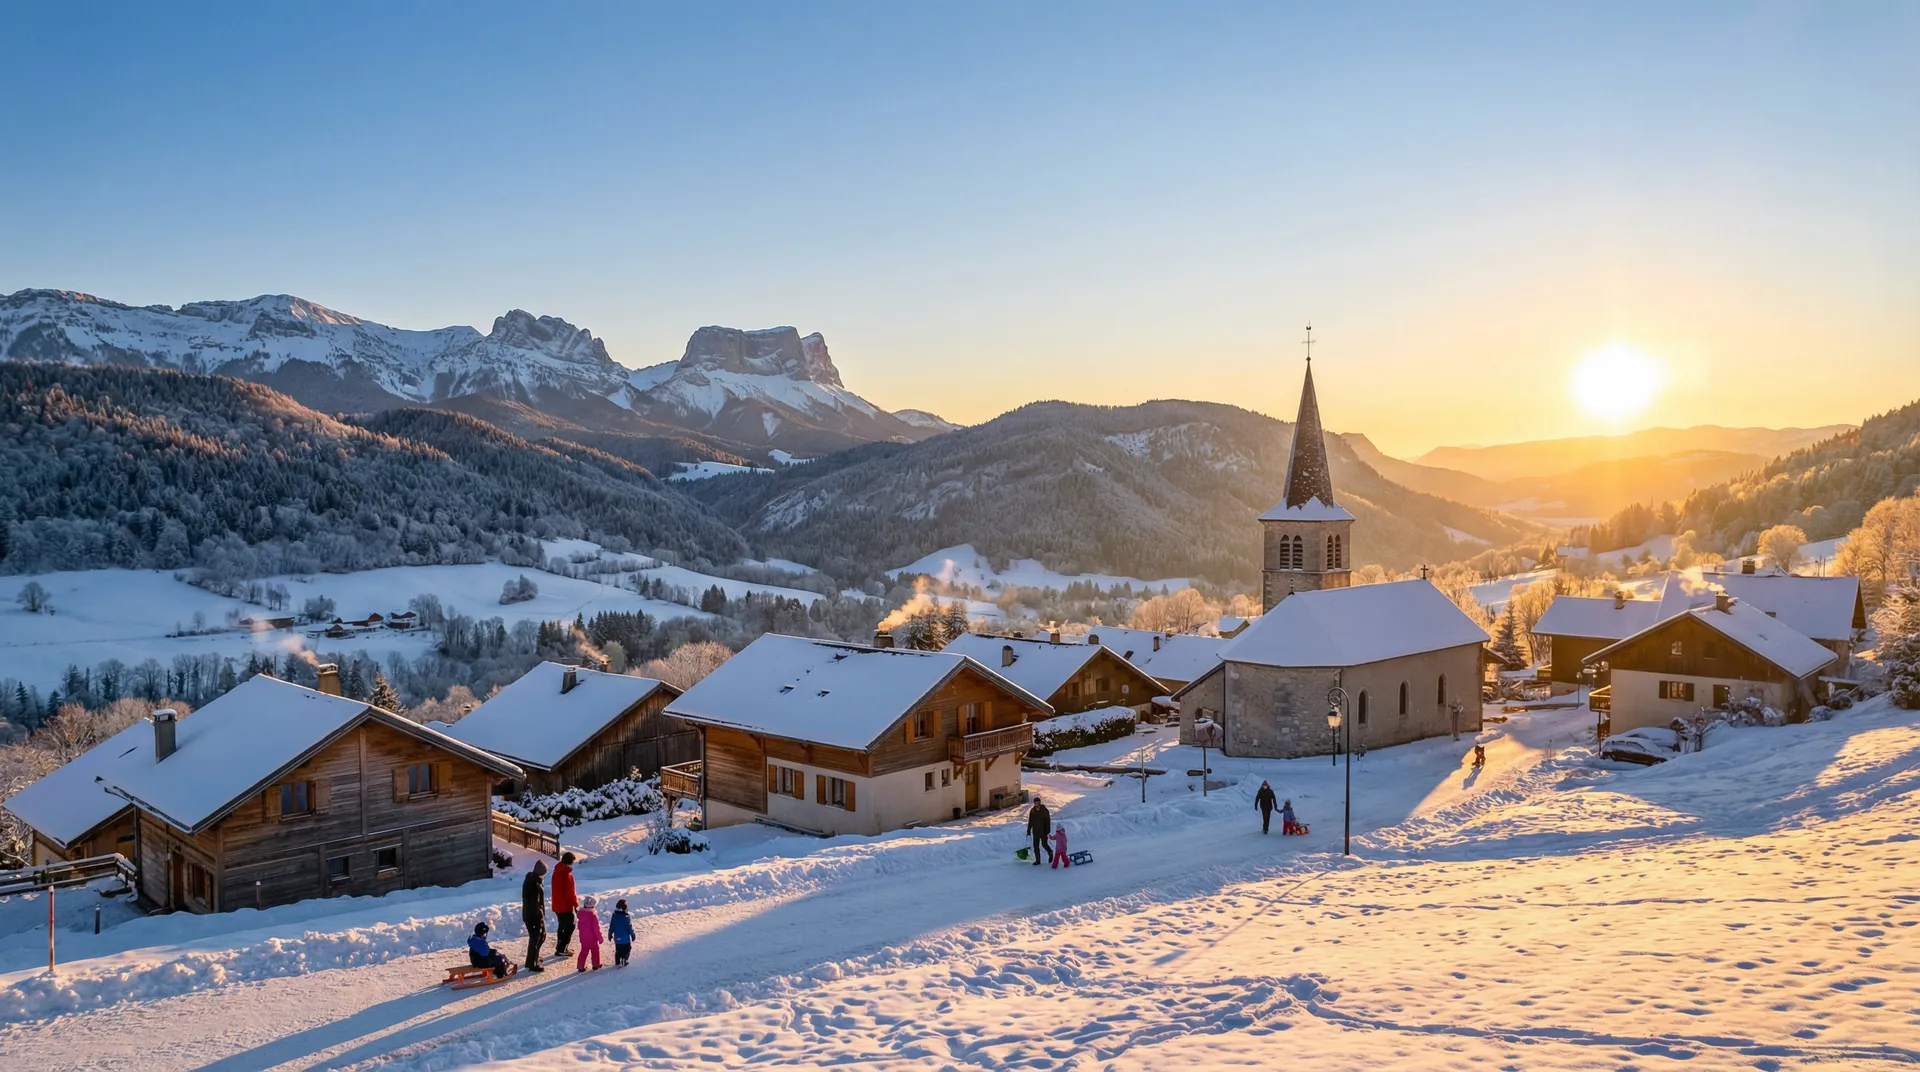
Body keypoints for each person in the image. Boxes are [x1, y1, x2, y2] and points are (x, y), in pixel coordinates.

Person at [521, 859, 548, 972]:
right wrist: (540, 916)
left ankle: (532, 958)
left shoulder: (531, 880)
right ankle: (533, 963)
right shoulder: (535, 885)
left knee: (539, 937)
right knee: (536, 939)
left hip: (530, 915)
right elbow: (535, 904)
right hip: (534, 917)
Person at [551, 851, 578, 956]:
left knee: (562, 926)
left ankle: (560, 947)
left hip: (557, 904)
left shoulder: (556, 871)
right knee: (570, 926)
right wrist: (575, 905)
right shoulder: (566, 874)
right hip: (565, 905)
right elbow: (570, 892)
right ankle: (562, 948)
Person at [574, 895, 604, 971]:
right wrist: (600, 938)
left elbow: (579, 927)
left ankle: (580, 966)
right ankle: (596, 965)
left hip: (583, 938)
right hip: (592, 939)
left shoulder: (580, 914)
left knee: (584, 951)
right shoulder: (592, 916)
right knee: (595, 951)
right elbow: (596, 929)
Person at [610, 898, 635, 968]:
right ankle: (625, 959)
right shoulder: (626, 917)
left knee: (618, 950)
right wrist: (633, 934)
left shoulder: (614, 916)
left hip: (617, 939)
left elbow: (612, 926)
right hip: (625, 939)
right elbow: (629, 927)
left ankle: (617, 961)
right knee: (627, 949)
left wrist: (610, 933)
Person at [1026, 799, 1052, 866]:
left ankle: (1050, 852)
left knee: (1044, 844)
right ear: (1034, 803)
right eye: (1035, 803)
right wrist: (1028, 830)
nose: (1037, 804)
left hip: (1043, 831)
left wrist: (1048, 832)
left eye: (1038, 803)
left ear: (1040, 803)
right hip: (1035, 831)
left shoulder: (1045, 811)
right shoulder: (1032, 811)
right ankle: (1038, 860)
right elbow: (1030, 821)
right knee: (1035, 846)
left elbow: (1048, 822)